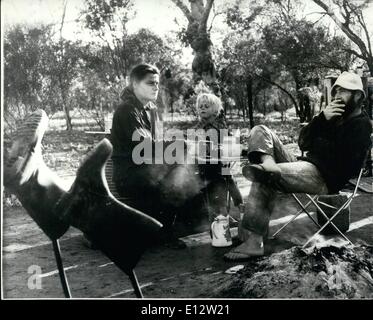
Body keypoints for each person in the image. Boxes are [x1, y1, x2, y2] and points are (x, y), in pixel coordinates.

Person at [224, 71, 372, 261]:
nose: (336, 96)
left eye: (343, 91)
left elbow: (346, 165)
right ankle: (268, 164)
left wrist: (322, 137)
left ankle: (255, 241)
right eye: (336, 91)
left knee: (264, 177)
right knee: (261, 130)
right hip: (304, 165)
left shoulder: (362, 126)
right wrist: (321, 119)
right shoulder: (332, 116)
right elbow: (303, 142)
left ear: (358, 95)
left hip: (323, 178)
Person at [110, 63, 201, 249]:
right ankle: (163, 232)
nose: (156, 87)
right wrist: (180, 145)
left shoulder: (149, 109)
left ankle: (174, 224)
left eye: (157, 83)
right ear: (135, 84)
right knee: (180, 166)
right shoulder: (127, 110)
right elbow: (144, 147)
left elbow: (155, 145)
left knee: (187, 170)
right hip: (130, 175)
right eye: (150, 83)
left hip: (146, 169)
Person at [192, 93, 243, 222]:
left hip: (221, 162)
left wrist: (230, 144)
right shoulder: (200, 125)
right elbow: (194, 139)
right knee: (212, 188)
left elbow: (229, 140)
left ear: (214, 109)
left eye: (206, 106)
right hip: (207, 164)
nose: (202, 108)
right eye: (200, 106)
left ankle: (238, 205)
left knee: (228, 181)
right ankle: (218, 216)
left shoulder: (220, 124)